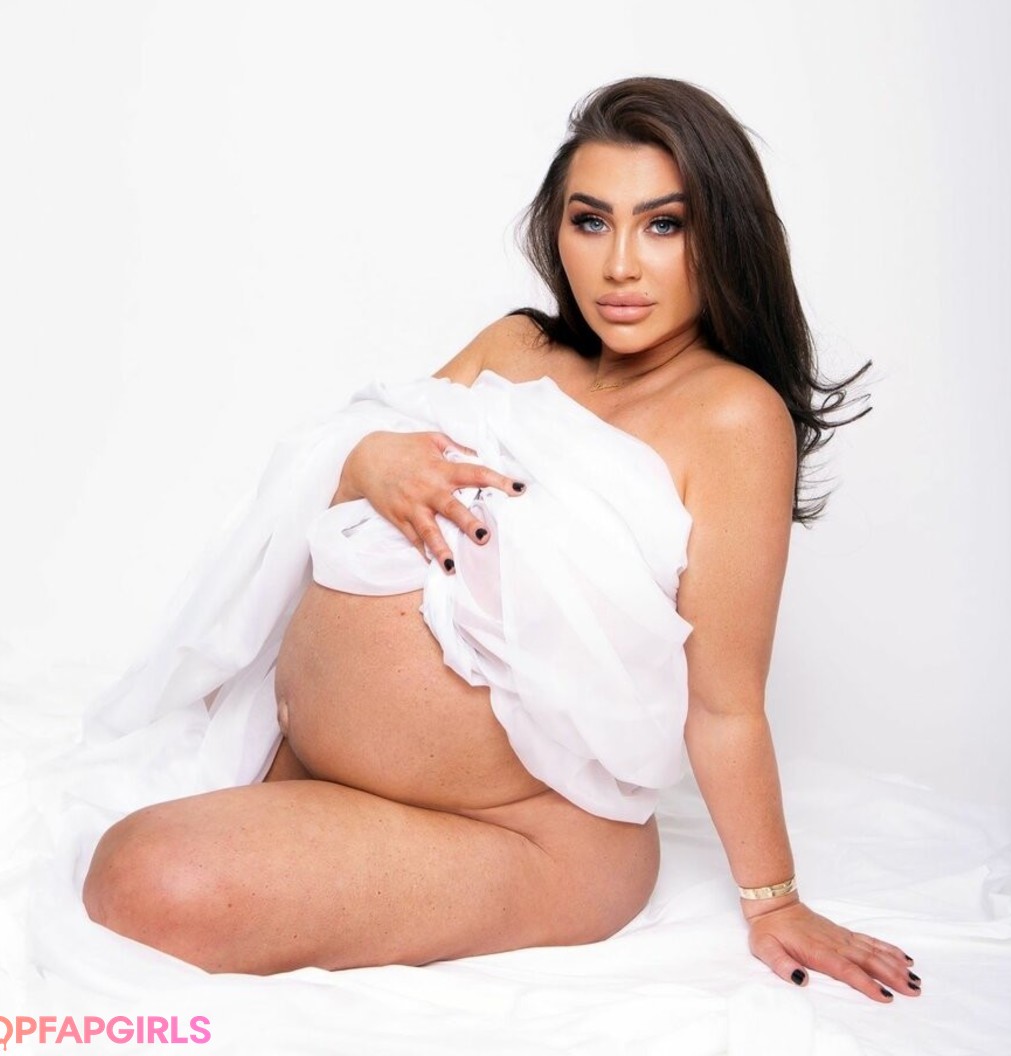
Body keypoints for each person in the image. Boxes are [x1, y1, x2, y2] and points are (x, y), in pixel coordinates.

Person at [81, 77, 920, 1004]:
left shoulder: (731, 417)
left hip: (527, 831)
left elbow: (726, 704)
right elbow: (362, 472)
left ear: (722, 235)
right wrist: (365, 458)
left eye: (664, 225)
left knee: (142, 879)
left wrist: (775, 901)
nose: (620, 265)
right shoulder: (514, 345)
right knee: (105, 837)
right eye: (591, 221)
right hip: (315, 759)